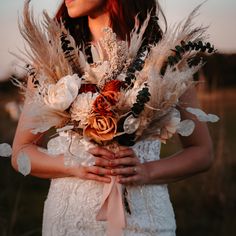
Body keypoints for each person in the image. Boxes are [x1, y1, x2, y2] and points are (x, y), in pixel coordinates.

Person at [11, 0, 214, 235]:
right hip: (69, 221)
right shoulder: (51, 63)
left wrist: (148, 171)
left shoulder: (165, 61)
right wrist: (72, 165)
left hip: (147, 223)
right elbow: (20, 152)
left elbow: (203, 152)